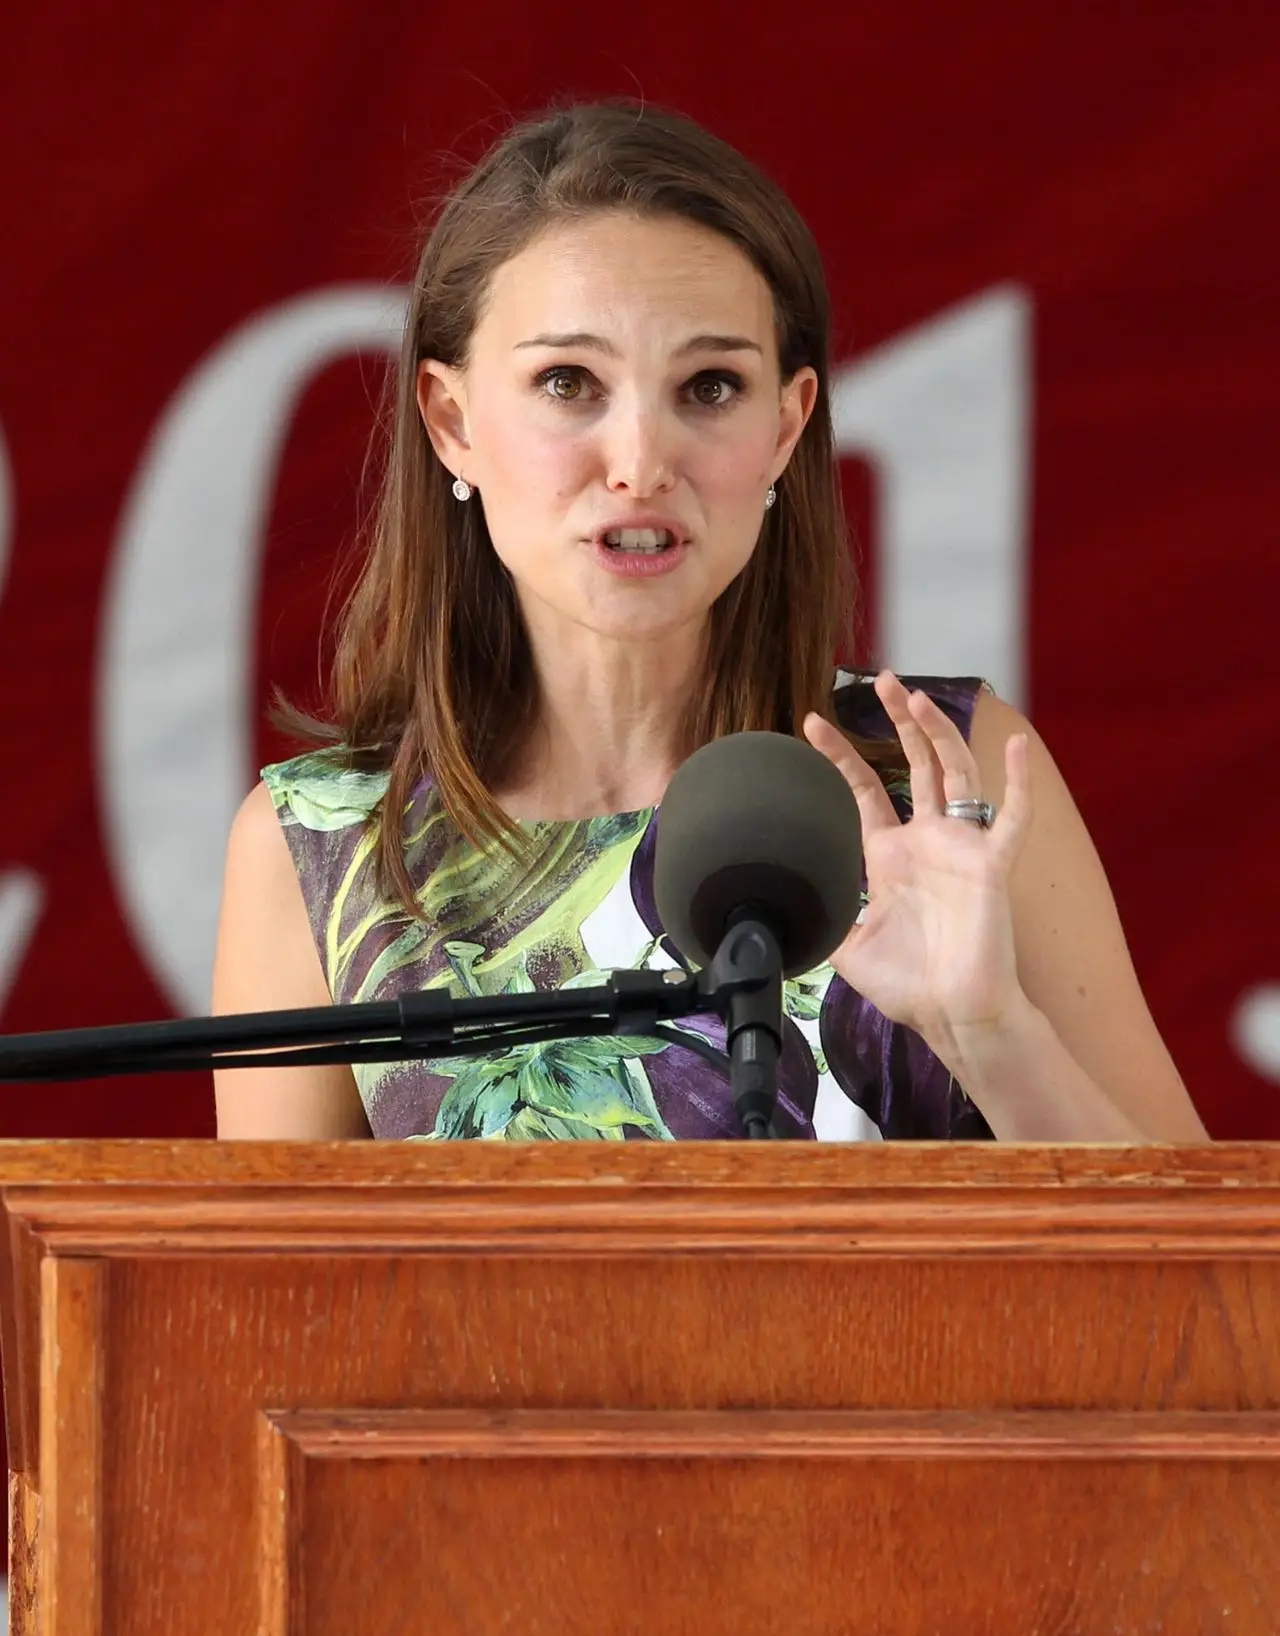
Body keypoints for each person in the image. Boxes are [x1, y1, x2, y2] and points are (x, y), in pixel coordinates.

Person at [212, 99, 1207, 1146]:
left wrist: (990, 1032)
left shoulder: (952, 776)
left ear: (785, 426)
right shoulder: (319, 851)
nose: (639, 460)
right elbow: (275, 1306)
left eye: (709, 386)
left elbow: (1205, 1281)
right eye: (568, 383)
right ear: (452, 421)